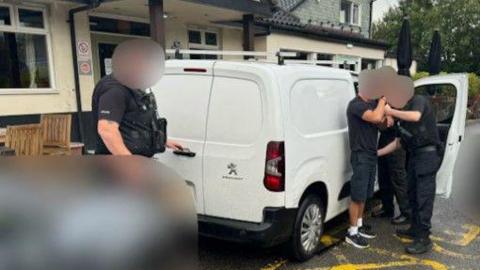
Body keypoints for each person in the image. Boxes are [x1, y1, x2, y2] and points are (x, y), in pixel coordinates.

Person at [92, 39, 182, 156]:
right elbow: (107, 131)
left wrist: (163, 141)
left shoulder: (134, 85)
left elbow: (137, 123)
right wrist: (130, 162)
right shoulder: (115, 89)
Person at [378, 89, 441, 254]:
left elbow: (416, 117)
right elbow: (398, 143)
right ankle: (415, 228)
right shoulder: (402, 118)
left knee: (423, 198)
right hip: (414, 157)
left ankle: (424, 239)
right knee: (411, 194)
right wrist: (377, 153)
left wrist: (390, 111)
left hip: (427, 156)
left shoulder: (418, 100)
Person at [345, 80, 388, 249]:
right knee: (357, 195)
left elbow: (381, 123)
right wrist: (383, 100)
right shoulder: (355, 105)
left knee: (364, 194)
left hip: (370, 154)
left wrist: (386, 120)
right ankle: (352, 232)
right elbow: (376, 116)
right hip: (360, 155)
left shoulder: (370, 105)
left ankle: (360, 225)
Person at [373, 123, 411, 225]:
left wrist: (389, 113)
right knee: (383, 175)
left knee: (398, 177)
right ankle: (387, 208)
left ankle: (407, 213)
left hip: (396, 137)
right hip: (384, 136)